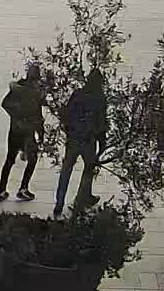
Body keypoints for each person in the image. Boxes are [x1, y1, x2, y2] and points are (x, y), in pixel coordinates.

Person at [52, 68, 108, 217]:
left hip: (73, 139)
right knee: (89, 168)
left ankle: (59, 202)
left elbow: (66, 113)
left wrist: (69, 131)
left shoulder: (77, 94)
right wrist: (103, 142)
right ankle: (81, 200)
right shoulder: (99, 98)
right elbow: (102, 122)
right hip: (88, 140)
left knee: (66, 170)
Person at [0, 62, 45, 203]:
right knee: (32, 159)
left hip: (15, 129)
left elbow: (4, 104)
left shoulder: (17, 88)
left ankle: (1, 190)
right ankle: (23, 188)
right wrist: (41, 135)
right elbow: (38, 116)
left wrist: (15, 115)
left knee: (9, 159)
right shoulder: (36, 93)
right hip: (28, 132)